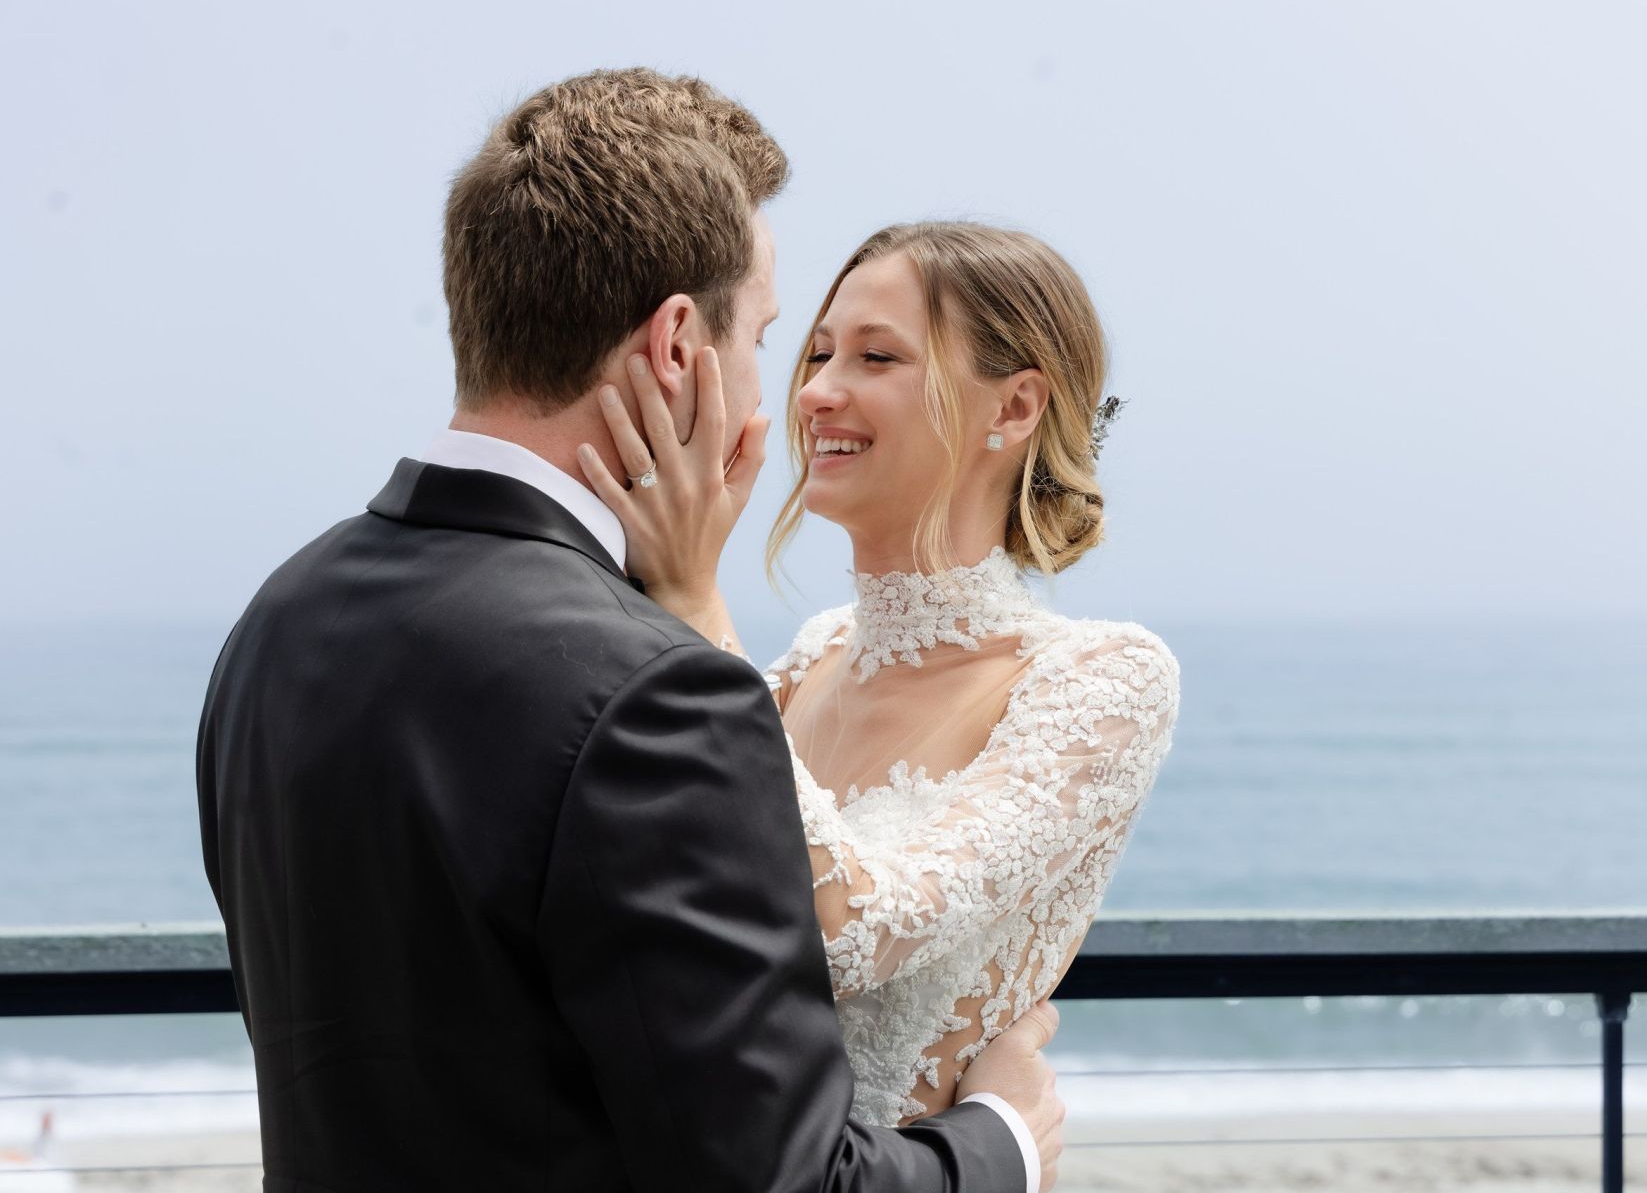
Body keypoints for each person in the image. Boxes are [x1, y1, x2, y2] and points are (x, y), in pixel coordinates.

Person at [196, 68, 1061, 1192]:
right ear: (675, 348)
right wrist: (1001, 1140)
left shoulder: (281, 617)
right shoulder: (656, 691)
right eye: (762, 336)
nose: (774, 396)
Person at [577, 221, 1182, 1128]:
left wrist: (697, 607)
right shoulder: (810, 659)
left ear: (1014, 410)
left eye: (876, 357)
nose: (817, 392)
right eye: (817, 352)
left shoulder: (1104, 681)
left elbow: (859, 931)